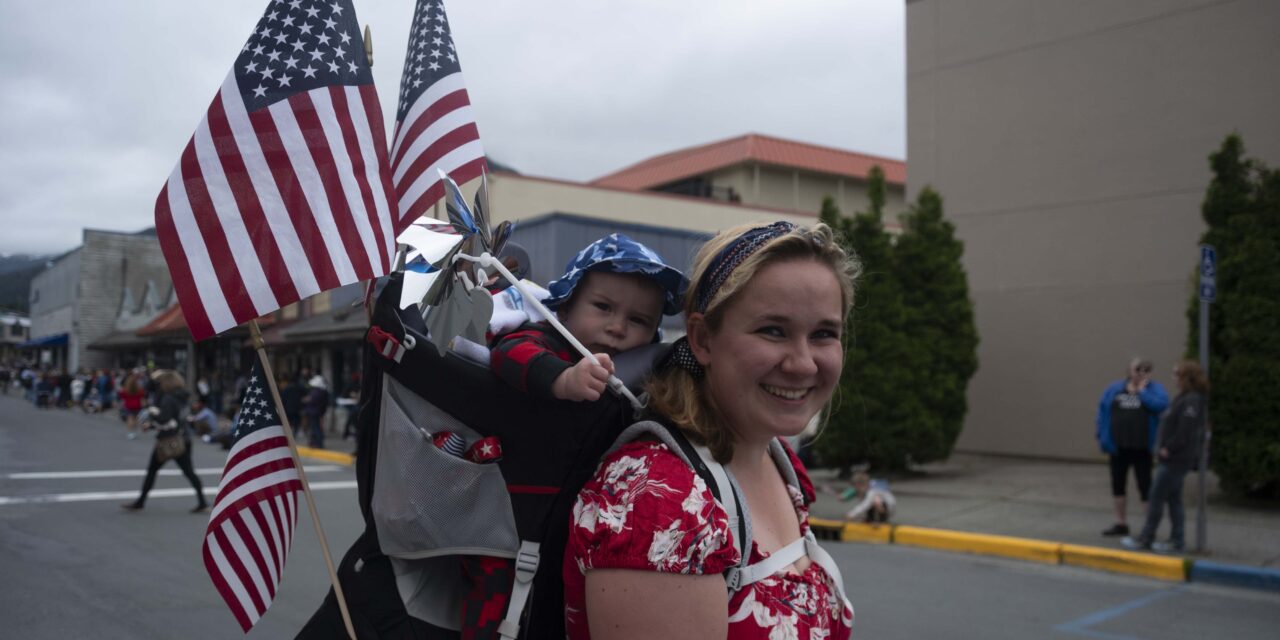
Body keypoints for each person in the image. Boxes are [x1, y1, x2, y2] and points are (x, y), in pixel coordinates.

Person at [565, 221, 858, 638]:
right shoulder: (656, 500)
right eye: (773, 331)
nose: (803, 363)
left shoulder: (779, 461)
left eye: (824, 334)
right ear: (702, 339)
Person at [490, 233, 688, 402]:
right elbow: (506, 352)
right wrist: (564, 378)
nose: (618, 328)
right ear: (565, 306)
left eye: (637, 320)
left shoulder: (649, 376)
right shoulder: (548, 339)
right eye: (603, 307)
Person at [1123, 361, 1210, 553]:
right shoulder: (1184, 398)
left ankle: (1146, 538)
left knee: (1156, 497)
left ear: (1186, 377)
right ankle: (1176, 541)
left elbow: (1185, 431)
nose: (1174, 379)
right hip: (1174, 458)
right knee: (1173, 500)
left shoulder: (1192, 400)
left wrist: (1168, 449)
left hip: (1176, 459)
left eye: (1176, 375)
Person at [1096, 357, 1169, 536]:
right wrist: (1101, 436)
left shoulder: (1155, 389)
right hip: (1118, 447)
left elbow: (1161, 406)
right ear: (1129, 371)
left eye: (1145, 370)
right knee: (1118, 485)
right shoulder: (1114, 389)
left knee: (1145, 486)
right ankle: (1120, 523)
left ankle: (1149, 528)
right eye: (1137, 369)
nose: (1140, 373)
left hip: (1142, 448)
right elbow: (1102, 412)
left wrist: (1143, 392)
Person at [121, 370, 208, 513]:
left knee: (152, 470)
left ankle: (140, 501)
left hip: (168, 439)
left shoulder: (168, 398)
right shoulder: (184, 397)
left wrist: (151, 423)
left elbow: (164, 419)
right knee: (189, 472)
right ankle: (202, 501)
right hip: (184, 438)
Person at [302, 375, 330, 448]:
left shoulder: (317, 392)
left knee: (316, 428)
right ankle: (314, 442)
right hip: (318, 412)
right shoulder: (323, 391)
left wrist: (307, 400)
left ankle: (318, 444)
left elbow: (312, 400)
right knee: (315, 428)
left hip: (314, 412)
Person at [118, 372, 147, 439]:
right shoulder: (140, 390)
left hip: (129, 405)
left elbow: (122, 396)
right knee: (136, 419)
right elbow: (142, 397)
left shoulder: (125, 390)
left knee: (130, 419)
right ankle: (134, 431)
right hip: (137, 405)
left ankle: (130, 432)